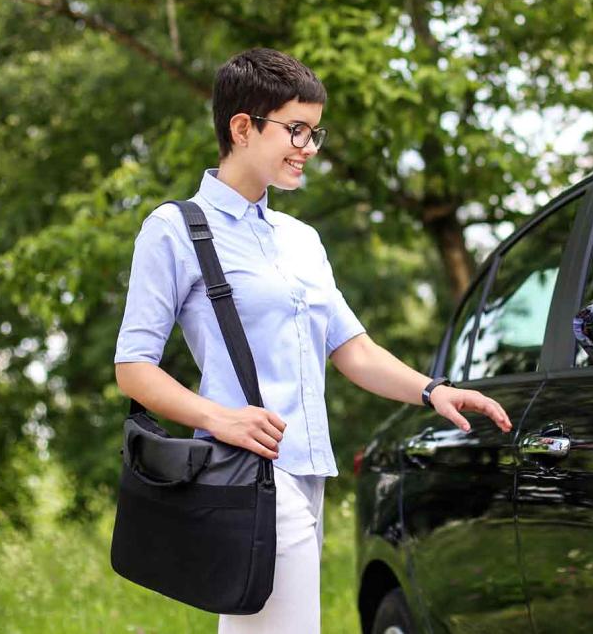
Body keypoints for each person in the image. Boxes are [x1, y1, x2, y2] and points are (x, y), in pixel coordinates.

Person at [113, 47, 512, 633]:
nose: (308, 147)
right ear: (242, 128)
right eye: (295, 129)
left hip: (307, 473)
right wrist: (221, 419)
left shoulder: (301, 239)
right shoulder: (175, 229)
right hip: (245, 472)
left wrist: (434, 391)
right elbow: (134, 367)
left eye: (314, 132)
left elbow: (352, 349)